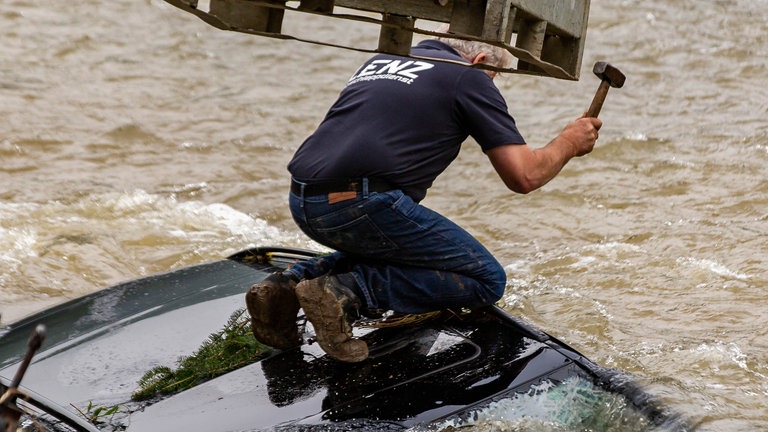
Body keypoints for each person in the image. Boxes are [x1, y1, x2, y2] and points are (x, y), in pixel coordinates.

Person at [246, 31, 602, 363]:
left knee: (396, 246)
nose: (492, 85)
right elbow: (524, 175)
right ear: (480, 60)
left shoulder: (387, 58)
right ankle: (343, 292)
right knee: (487, 279)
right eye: (496, 76)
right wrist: (569, 142)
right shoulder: (469, 75)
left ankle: (285, 286)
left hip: (306, 200)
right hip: (360, 205)